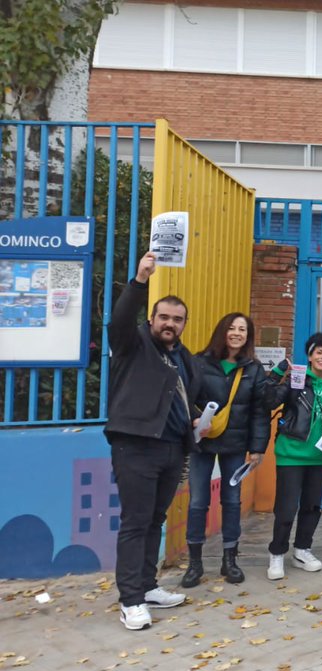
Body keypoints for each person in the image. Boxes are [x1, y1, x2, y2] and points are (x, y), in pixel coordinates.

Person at [105, 251, 200, 630]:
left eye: (177, 320)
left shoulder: (185, 358)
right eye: (164, 317)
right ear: (152, 319)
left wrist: (196, 422)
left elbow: (180, 401)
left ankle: (146, 586)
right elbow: (120, 321)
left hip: (172, 448)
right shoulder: (133, 344)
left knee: (155, 520)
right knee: (136, 521)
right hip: (136, 445)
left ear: (183, 325)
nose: (170, 324)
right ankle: (130, 600)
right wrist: (140, 280)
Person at [182, 313, 272, 587]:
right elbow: (184, 397)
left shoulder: (254, 369)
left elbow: (259, 412)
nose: (236, 333)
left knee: (232, 502)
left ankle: (229, 559)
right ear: (222, 331)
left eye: (242, 329)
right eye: (232, 328)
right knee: (198, 501)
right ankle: (195, 563)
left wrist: (257, 449)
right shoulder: (199, 362)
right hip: (203, 441)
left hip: (235, 445)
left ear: (248, 336)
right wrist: (196, 418)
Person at [265, 332, 322, 580]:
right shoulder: (297, 379)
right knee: (286, 509)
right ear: (310, 355)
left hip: (320, 456)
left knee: (311, 507)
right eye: (319, 352)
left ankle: (302, 550)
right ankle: (277, 553)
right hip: (291, 453)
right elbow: (269, 401)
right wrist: (278, 375)